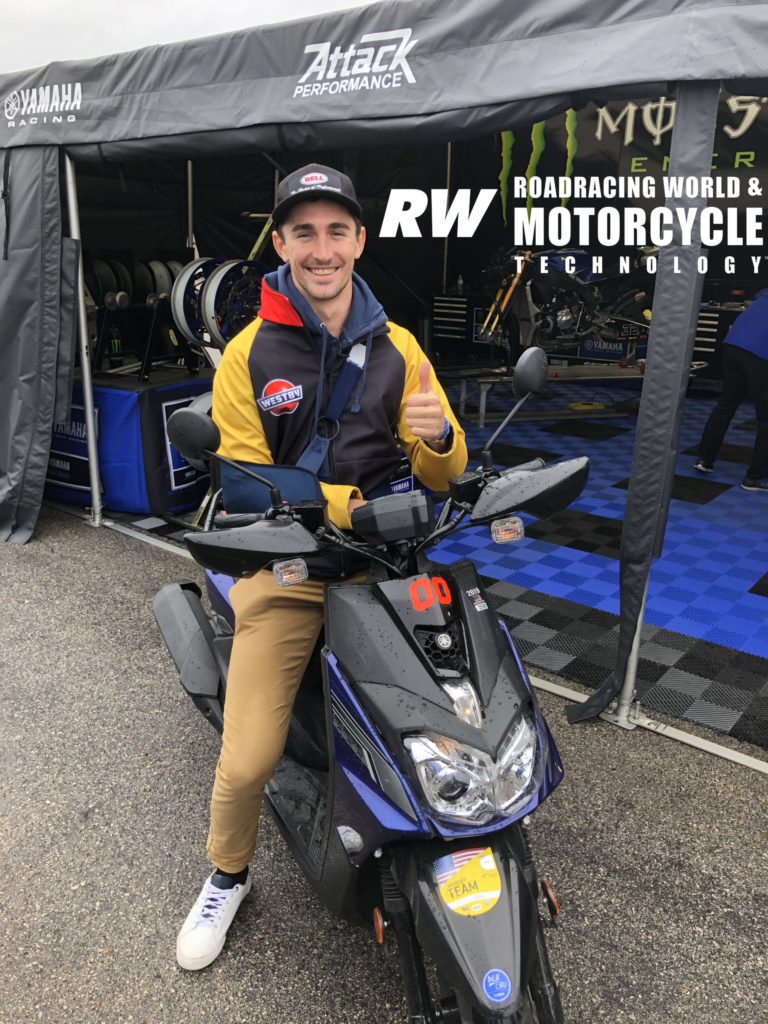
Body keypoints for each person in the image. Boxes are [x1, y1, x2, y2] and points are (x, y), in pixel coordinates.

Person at [175, 163, 468, 970]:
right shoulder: (247, 353)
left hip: (385, 571)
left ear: (360, 242)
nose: (322, 247)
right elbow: (242, 480)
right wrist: (348, 507)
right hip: (289, 575)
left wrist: (439, 438)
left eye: (337, 230)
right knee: (248, 762)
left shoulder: (399, 346)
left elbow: (443, 469)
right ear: (280, 243)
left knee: (452, 727)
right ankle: (227, 876)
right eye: (303, 231)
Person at [695, 287, 768, 491]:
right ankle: (755, 478)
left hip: (733, 346)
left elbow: (750, 306)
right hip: (759, 352)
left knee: (726, 404)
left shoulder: (764, 292)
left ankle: (704, 459)